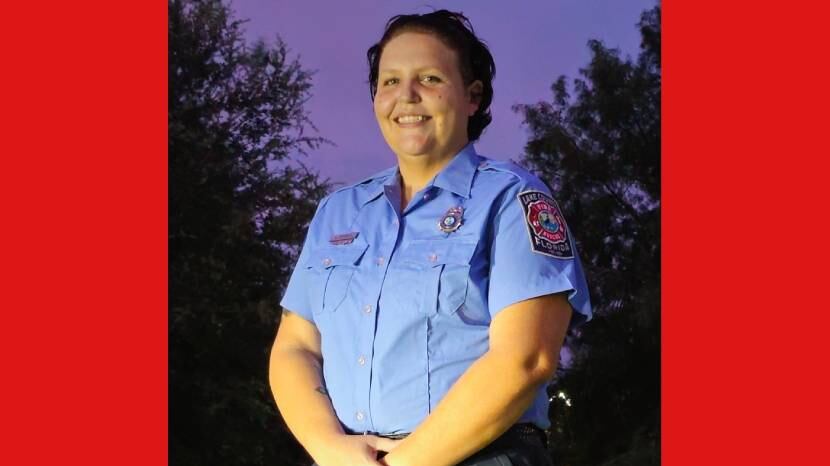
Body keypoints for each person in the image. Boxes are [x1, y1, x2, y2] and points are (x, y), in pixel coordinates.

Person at [269, 10, 591, 466]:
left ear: (472, 96)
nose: (407, 96)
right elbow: (295, 347)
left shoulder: (513, 199)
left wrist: (402, 464)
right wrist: (329, 448)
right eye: (390, 81)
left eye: (430, 78)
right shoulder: (336, 212)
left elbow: (527, 359)